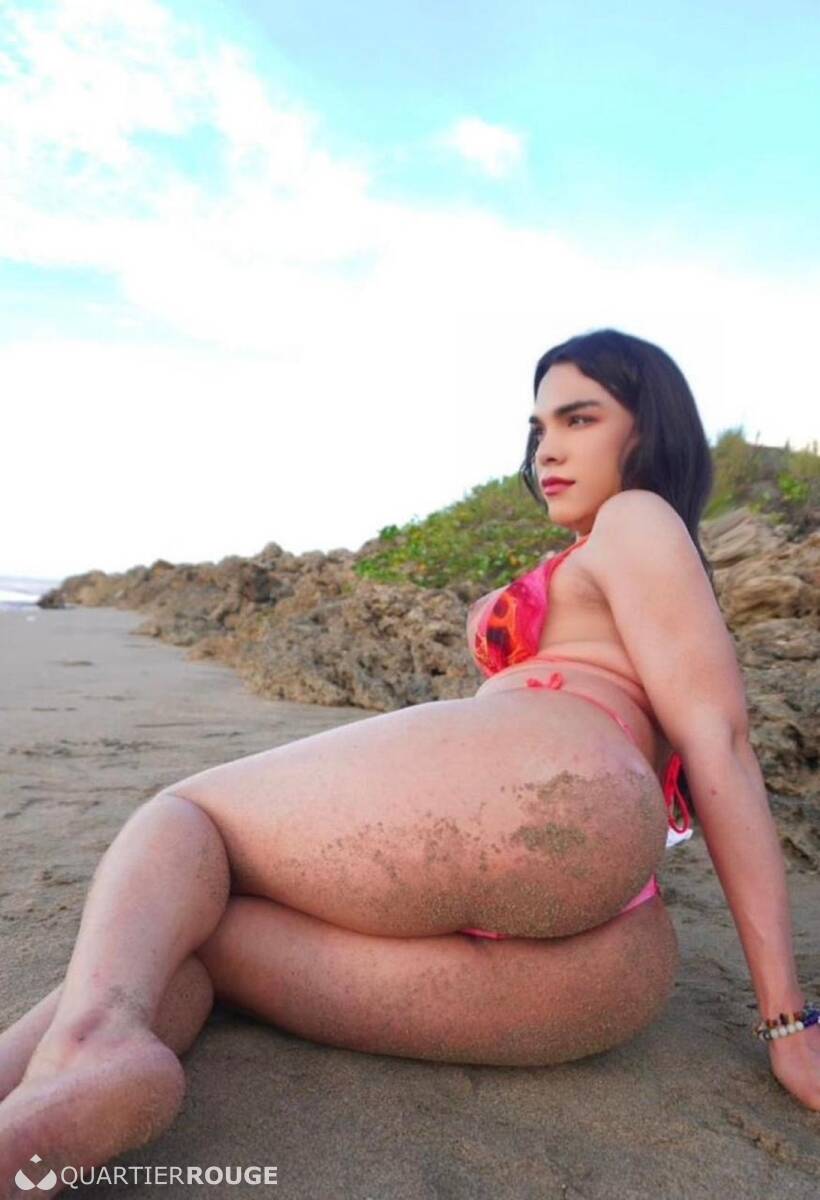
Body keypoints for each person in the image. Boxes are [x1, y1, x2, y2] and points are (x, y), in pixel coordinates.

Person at [1, 328, 817, 1192]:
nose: (547, 449)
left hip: (547, 787)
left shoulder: (636, 518)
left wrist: (787, 1020)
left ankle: (89, 1043)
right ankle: (39, 1106)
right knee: (188, 938)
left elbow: (721, 741)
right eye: (538, 428)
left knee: (187, 822)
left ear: (649, 430)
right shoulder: (620, 557)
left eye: (579, 419)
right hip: (608, 970)